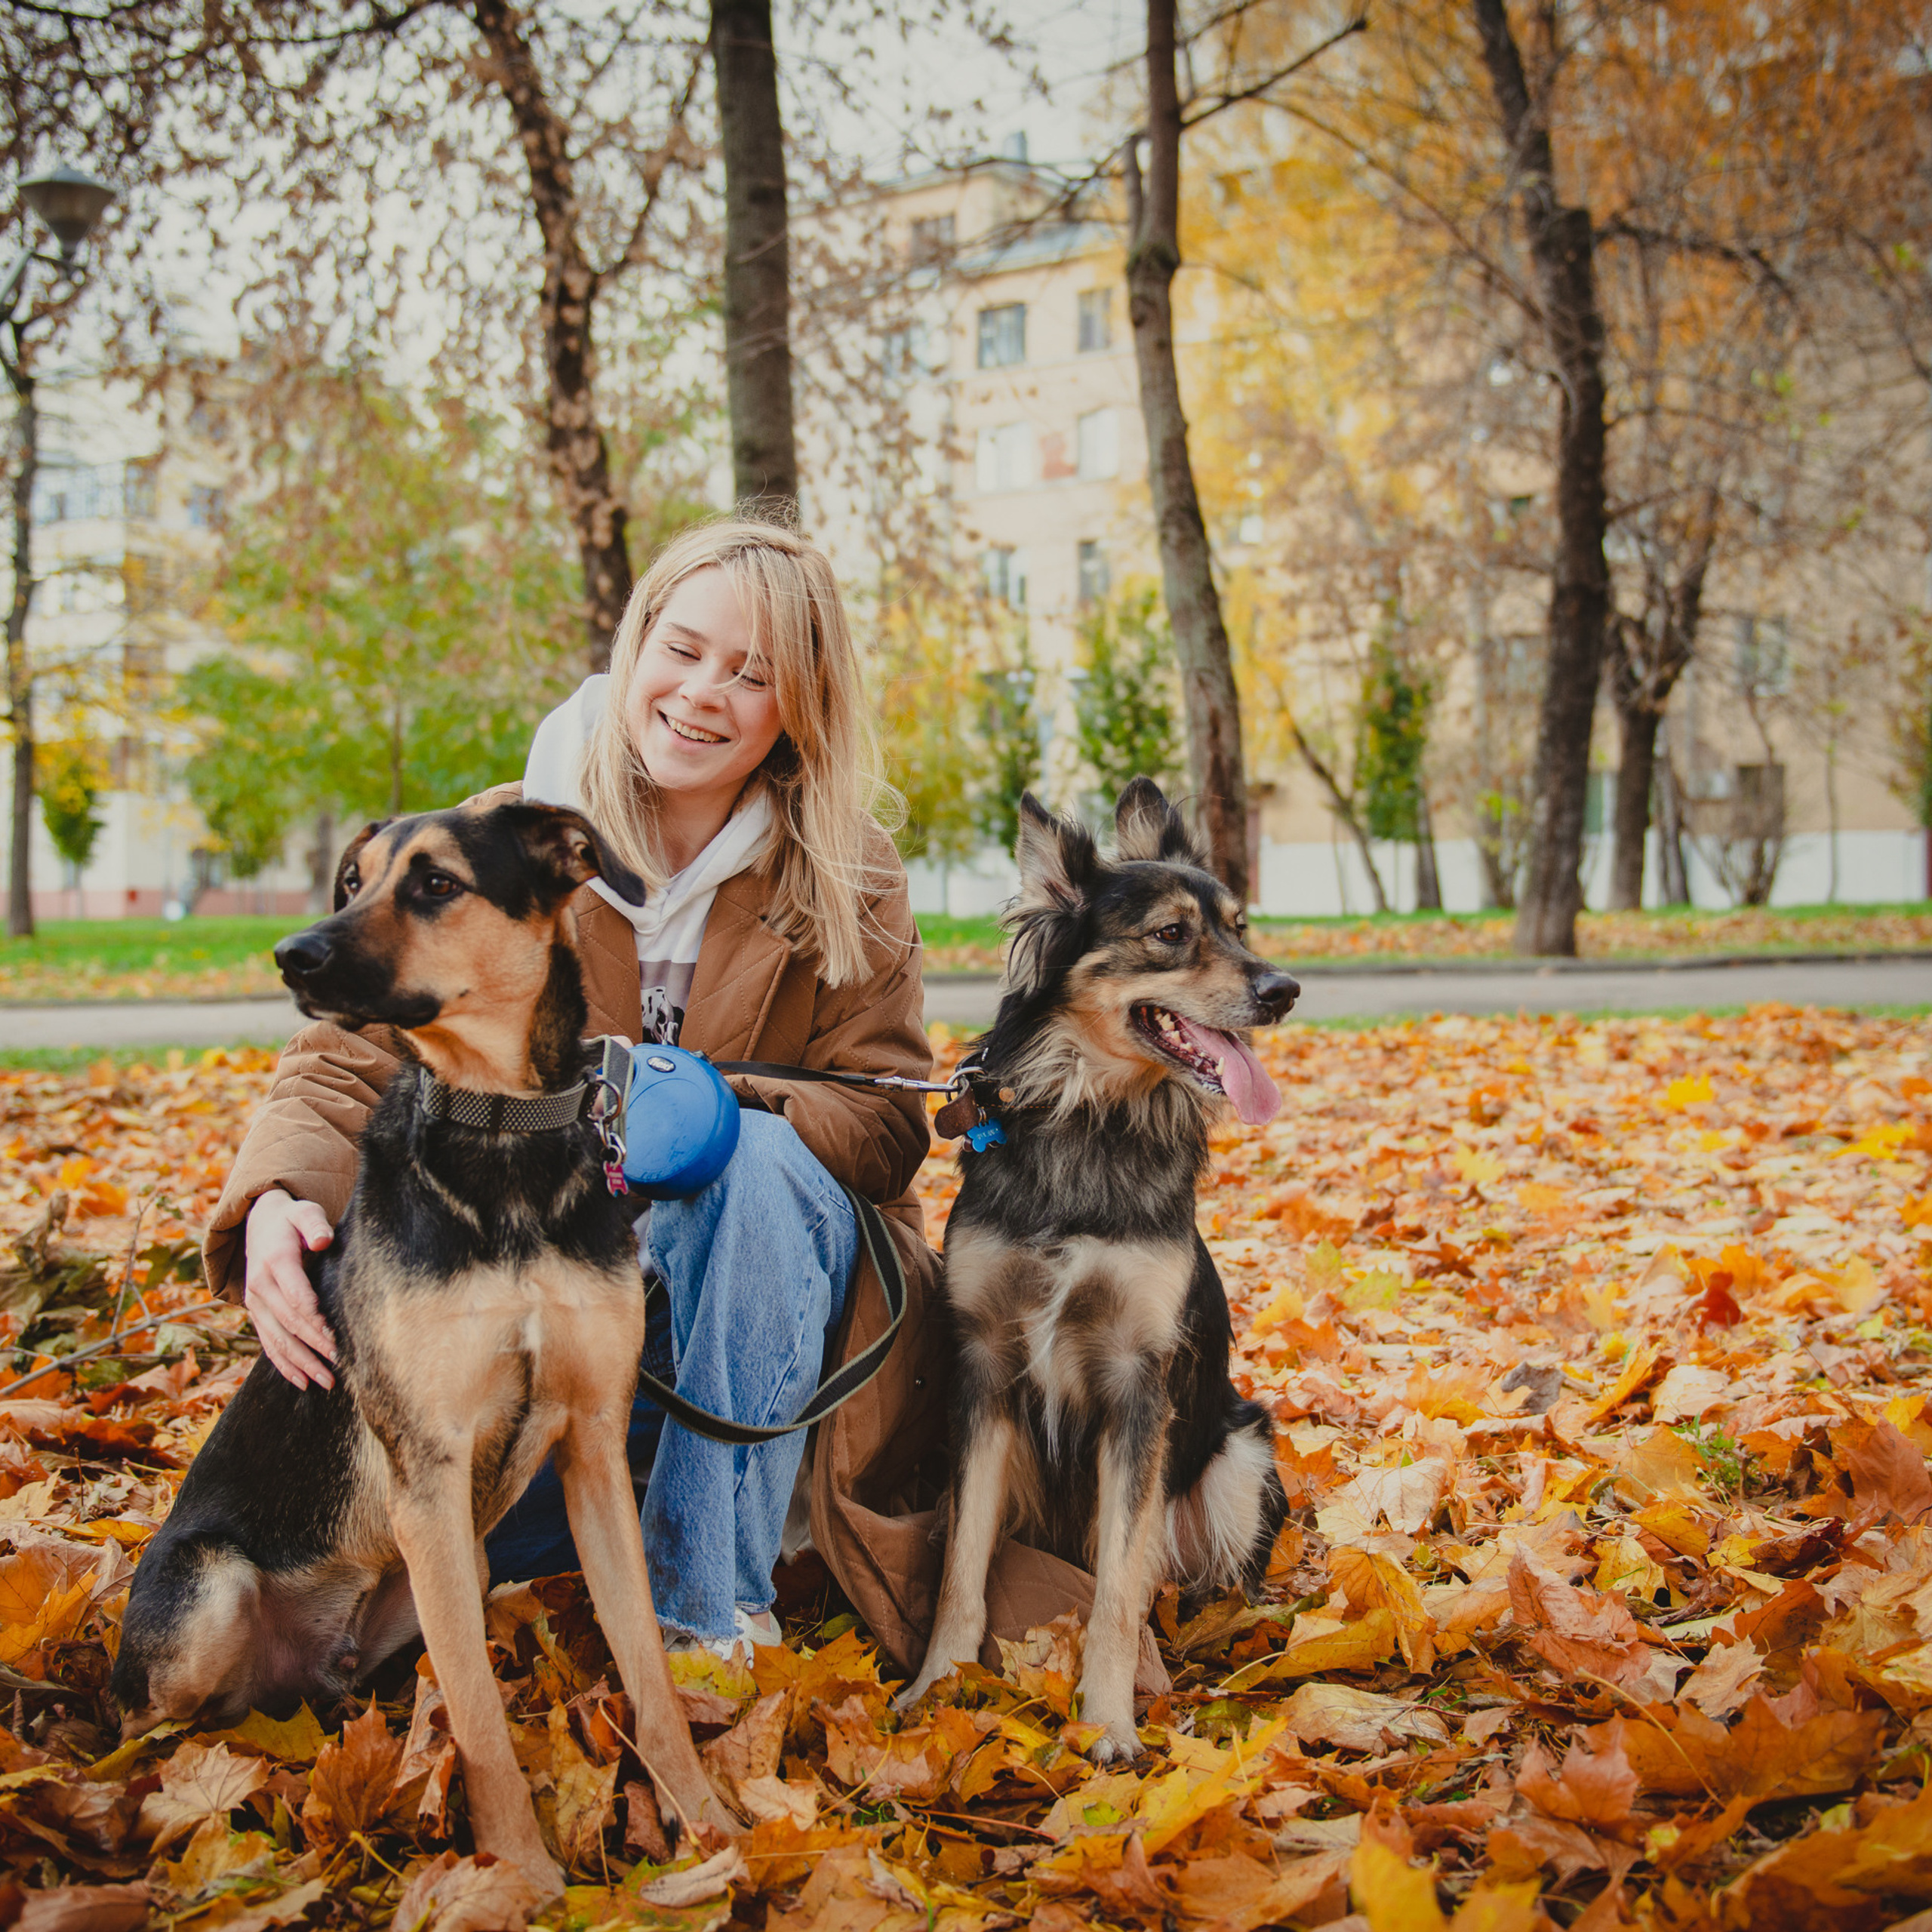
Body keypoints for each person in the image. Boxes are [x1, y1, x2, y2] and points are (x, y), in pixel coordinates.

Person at [204, 518, 955, 1662]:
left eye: (754, 675)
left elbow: (891, 1115)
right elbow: (355, 1048)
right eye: (685, 648)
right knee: (435, 1542)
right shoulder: (510, 837)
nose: (705, 693)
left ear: (800, 707)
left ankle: (709, 1614)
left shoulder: (847, 870)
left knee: (745, 1164)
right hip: (560, 1286)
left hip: (761, 1314)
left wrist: (707, 1106)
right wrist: (270, 1199)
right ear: (638, 639)